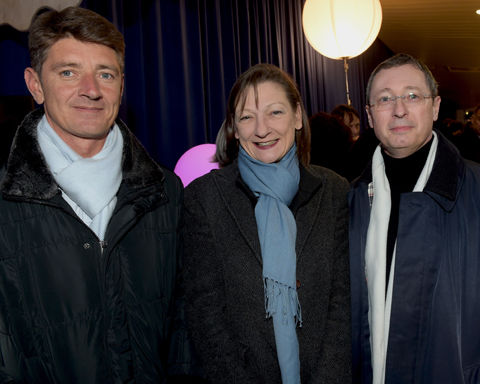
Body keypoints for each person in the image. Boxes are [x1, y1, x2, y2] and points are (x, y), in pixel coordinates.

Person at [0, 7, 203, 383]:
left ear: (121, 86)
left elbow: (185, 328)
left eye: (105, 74)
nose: (91, 90)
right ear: (35, 85)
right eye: (68, 72)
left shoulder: (165, 192)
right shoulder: (4, 201)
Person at [349, 53, 480, 384]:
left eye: (412, 95)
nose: (399, 109)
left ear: (435, 107)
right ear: (369, 114)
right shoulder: (348, 202)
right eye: (384, 98)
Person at [183, 63, 351, 383]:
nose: (262, 129)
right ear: (233, 127)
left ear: (297, 116)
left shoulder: (335, 191)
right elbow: (206, 318)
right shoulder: (204, 199)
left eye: (275, 112)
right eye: (247, 117)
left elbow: (341, 307)